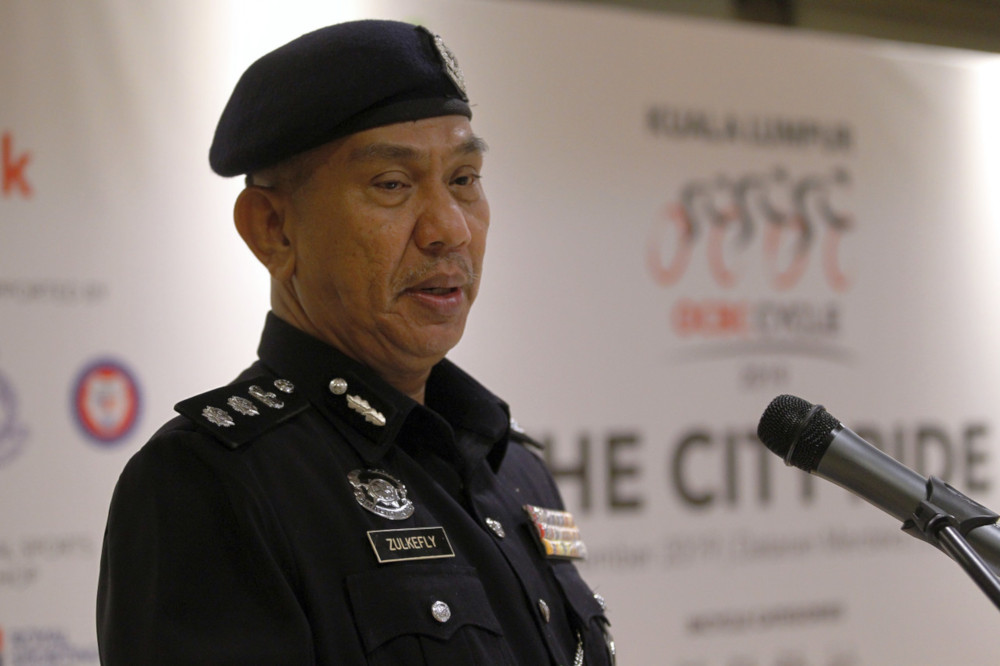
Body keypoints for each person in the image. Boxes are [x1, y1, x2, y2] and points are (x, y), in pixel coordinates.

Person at [96, 19, 614, 665]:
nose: (449, 229)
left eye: (464, 179)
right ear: (273, 229)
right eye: (392, 184)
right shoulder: (213, 483)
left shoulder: (511, 466)